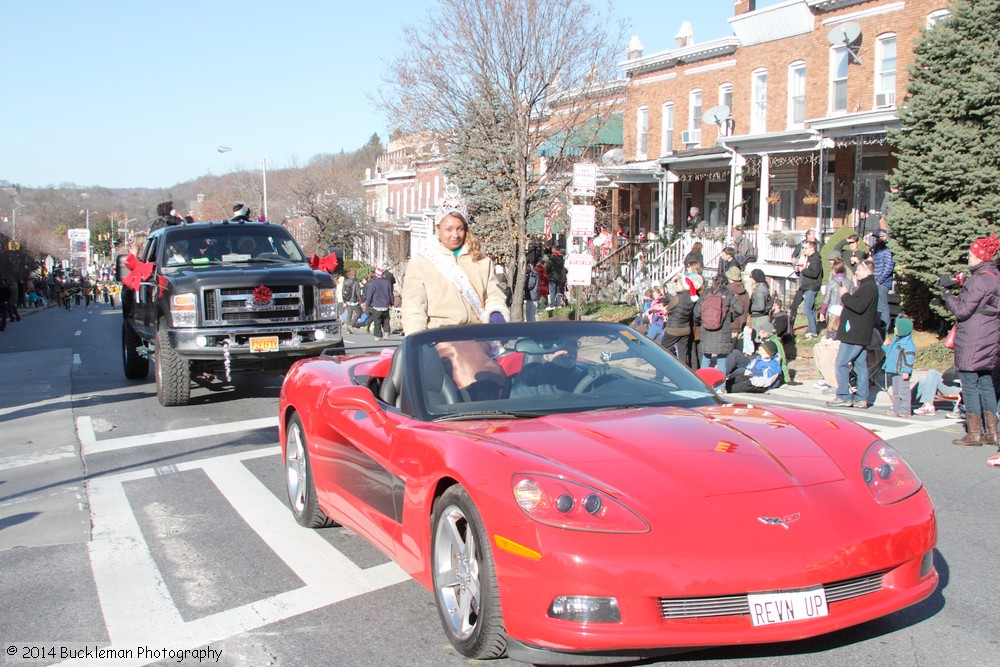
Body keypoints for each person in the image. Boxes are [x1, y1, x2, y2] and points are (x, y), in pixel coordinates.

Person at [401, 188, 509, 335]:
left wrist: (496, 311)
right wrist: (415, 343)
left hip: (476, 337)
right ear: (438, 229)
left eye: (460, 229)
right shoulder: (421, 262)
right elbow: (414, 309)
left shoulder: (481, 260)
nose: (455, 235)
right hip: (440, 338)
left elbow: (494, 294)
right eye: (449, 229)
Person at [945, 234, 1000, 449]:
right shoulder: (995, 278)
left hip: (973, 340)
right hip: (990, 339)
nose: (968, 258)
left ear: (979, 257)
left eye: (970, 254)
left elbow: (962, 310)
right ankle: (992, 433)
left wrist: (947, 295)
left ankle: (974, 433)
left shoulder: (978, 280)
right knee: (986, 383)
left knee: (969, 383)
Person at [827, 259, 879, 409]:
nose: (856, 272)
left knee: (841, 363)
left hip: (855, 333)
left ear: (868, 271)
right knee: (860, 365)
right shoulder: (866, 287)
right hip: (858, 332)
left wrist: (844, 295)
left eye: (859, 270)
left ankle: (843, 395)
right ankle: (861, 398)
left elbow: (858, 306)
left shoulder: (869, 287)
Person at [694, 274, 744, 377]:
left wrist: (704, 320)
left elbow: (696, 312)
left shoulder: (706, 293)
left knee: (706, 357)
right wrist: (730, 317)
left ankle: (704, 383)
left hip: (706, 329)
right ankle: (720, 387)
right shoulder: (728, 294)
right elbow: (740, 309)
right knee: (721, 360)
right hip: (723, 331)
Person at [510, 340, 588, 397]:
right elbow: (519, 413)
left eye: (574, 344)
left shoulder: (589, 375)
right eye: (561, 345)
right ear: (545, 351)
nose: (571, 350)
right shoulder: (530, 380)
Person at [660, 274, 698, 368]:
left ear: (682, 285)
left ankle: (659, 375)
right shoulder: (691, 298)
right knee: (683, 354)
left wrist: (666, 311)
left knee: (662, 350)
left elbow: (668, 309)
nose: (676, 286)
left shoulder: (677, 298)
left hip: (673, 328)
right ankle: (684, 374)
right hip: (685, 329)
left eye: (677, 284)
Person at [787, 240, 822, 339]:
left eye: (806, 248)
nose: (804, 250)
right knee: (805, 308)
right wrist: (799, 270)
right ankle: (811, 329)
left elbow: (814, 273)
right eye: (803, 248)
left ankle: (813, 331)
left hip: (811, 287)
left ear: (812, 248)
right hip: (805, 286)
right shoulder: (809, 258)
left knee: (808, 309)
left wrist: (804, 270)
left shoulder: (815, 259)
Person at [883, 316, 917, 417]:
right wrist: (885, 346)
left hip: (902, 372)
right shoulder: (896, 340)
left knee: (904, 392)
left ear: (903, 329)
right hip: (894, 371)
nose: (894, 329)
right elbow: (890, 353)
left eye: (896, 327)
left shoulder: (908, 344)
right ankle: (896, 409)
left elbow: (909, 359)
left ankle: (905, 410)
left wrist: (907, 371)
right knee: (896, 392)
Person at [812, 305, 842, 390]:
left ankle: (831, 381)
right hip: (830, 349)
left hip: (835, 352)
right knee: (817, 348)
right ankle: (825, 377)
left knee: (827, 354)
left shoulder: (839, 328)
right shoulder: (831, 328)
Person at [871, 229, 895, 334]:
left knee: (883, 307)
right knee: (877, 307)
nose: (876, 240)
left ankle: (884, 330)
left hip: (882, 283)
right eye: (875, 238)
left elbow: (889, 267)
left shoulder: (887, 250)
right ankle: (877, 328)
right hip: (875, 281)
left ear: (884, 237)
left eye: (878, 238)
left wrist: (879, 281)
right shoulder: (876, 251)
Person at [364, 267, 395, 340]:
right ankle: (386, 332)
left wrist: (367, 304)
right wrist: (391, 302)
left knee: (377, 320)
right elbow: (390, 293)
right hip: (385, 304)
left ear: (376, 274)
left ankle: (378, 335)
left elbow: (369, 295)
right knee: (386, 319)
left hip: (376, 305)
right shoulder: (387, 282)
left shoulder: (373, 283)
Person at [819, 256, 851, 324]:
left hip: (833, 311)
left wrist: (822, 312)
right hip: (845, 310)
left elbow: (826, 299)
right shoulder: (850, 282)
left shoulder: (831, 282)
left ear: (834, 270)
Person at [342, 269, 363, 333]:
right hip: (354, 300)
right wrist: (360, 301)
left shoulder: (345, 281)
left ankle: (348, 329)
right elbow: (358, 292)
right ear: (354, 274)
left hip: (348, 300)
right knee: (358, 313)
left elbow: (342, 291)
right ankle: (351, 325)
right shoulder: (356, 282)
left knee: (349, 314)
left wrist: (344, 300)